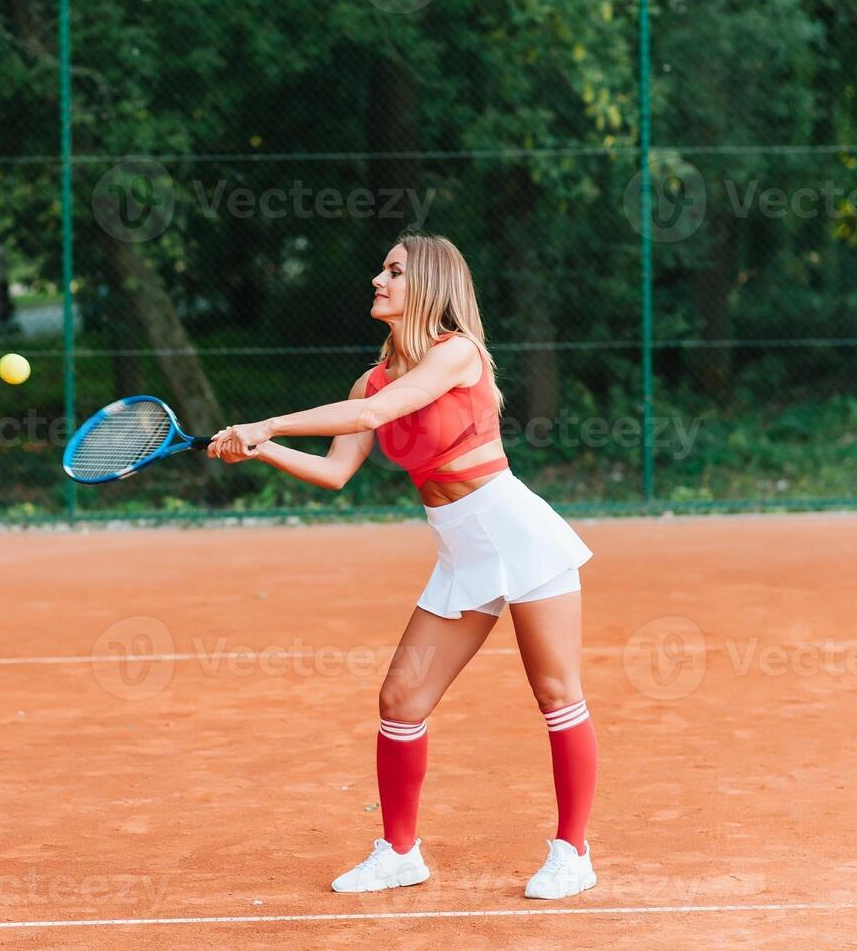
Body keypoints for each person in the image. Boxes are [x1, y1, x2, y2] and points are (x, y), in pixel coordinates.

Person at [208, 233, 598, 900]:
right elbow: (336, 471)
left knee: (556, 695)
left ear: (430, 287)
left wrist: (268, 424)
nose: (376, 279)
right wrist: (262, 452)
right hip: (459, 549)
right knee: (400, 699)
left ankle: (572, 852)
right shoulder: (371, 375)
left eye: (393, 271)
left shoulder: (457, 354)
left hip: (517, 535)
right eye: (381, 268)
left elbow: (376, 414)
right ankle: (398, 852)